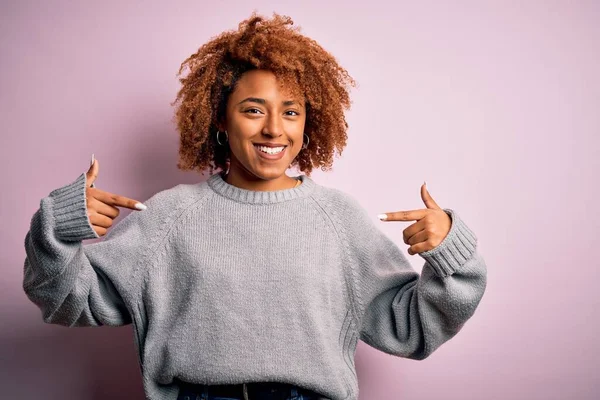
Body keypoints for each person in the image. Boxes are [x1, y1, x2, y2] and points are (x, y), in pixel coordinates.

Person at [22, 12, 487, 400]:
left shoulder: (338, 219)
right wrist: (57, 230)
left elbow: (413, 328)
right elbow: (67, 301)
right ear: (221, 119)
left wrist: (453, 256)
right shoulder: (170, 217)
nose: (273, 129)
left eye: (290, 111)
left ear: (308, 124)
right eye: (252, 109)